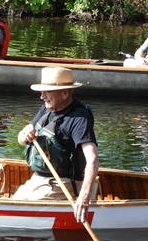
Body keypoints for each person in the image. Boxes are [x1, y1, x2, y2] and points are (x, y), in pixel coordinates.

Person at [12, 67, 99, 223]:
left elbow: (92, 159)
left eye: (47, 92)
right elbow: (21, 139)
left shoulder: (79, 118)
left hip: (64, 185)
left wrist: (84, 197)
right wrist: (24, 134)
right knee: (12, 204)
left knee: (17, 212)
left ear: (64, 93)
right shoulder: (47, 109)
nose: (42, 96)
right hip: (39, 180)